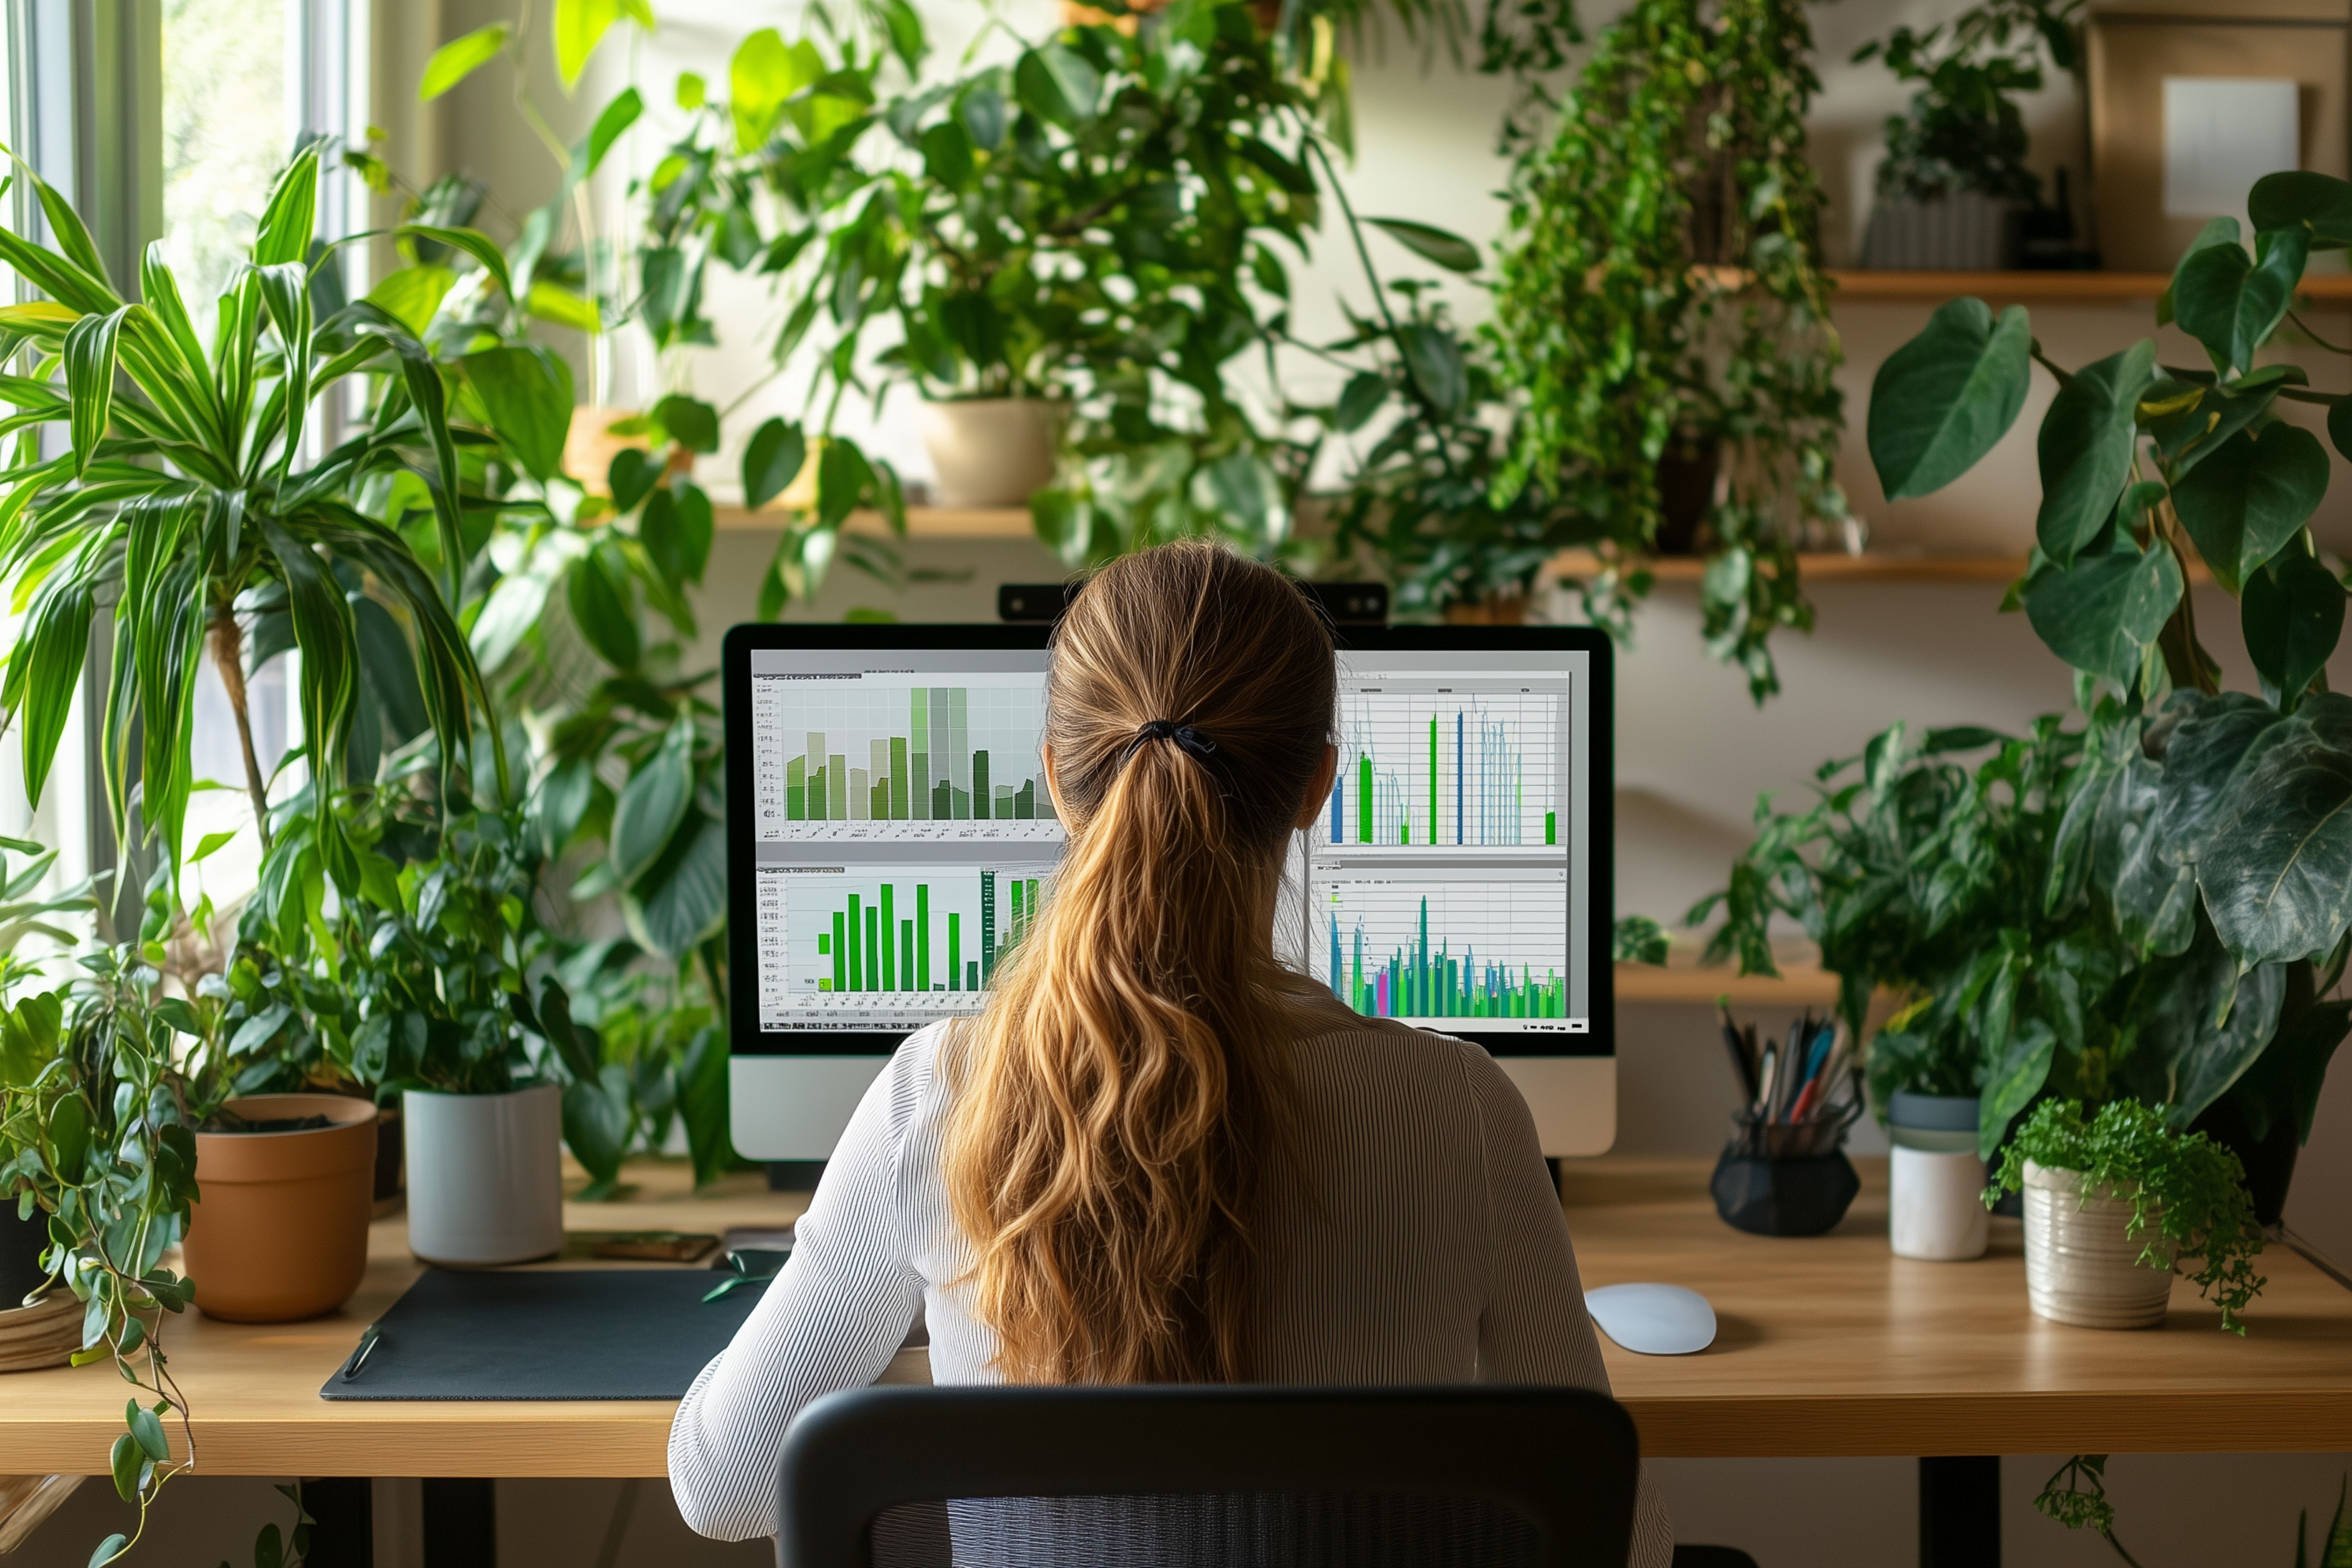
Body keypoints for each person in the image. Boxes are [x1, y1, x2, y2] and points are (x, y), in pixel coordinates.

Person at [669, 540, 1671, 1563]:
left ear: (1058, 781)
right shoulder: (1458, 1108)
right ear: (1318, 786)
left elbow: (722, 1485)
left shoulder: (937, 1096)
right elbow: (1622, 1538)